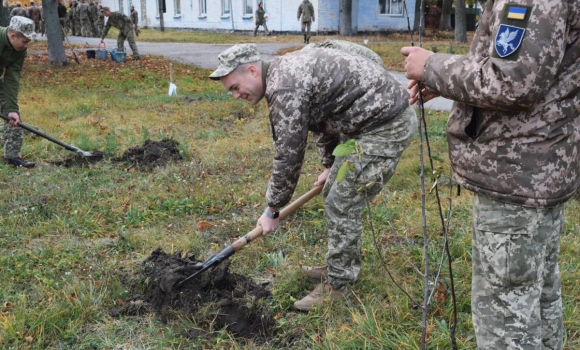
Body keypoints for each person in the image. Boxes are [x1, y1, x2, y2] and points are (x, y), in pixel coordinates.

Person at [401, 1, 579, 349]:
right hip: (536, 173)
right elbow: (536, 69)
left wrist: (433, 65)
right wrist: (446, 80)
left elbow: (514, 82)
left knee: (505, 319)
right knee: (536, 298)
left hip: (516, 179)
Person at [209, 43, 417, 311]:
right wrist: (330, 164)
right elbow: (322, 115)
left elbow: (289, 154)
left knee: (342, 200)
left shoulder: (284, 87)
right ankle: (338, 265)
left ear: (252, 70)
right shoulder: (286, 68)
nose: (235, 95)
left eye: (235, 87)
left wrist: (273, 209)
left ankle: (338, 284)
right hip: (367, 123)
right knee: (335, 191)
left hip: (386, 126)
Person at [0, 16, 36, 168]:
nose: (26, 45)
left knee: (13, 116)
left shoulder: (19, 50)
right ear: (13, 36)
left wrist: (12, 108)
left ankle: (12, 156)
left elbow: (12, 77)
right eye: (25, 41)